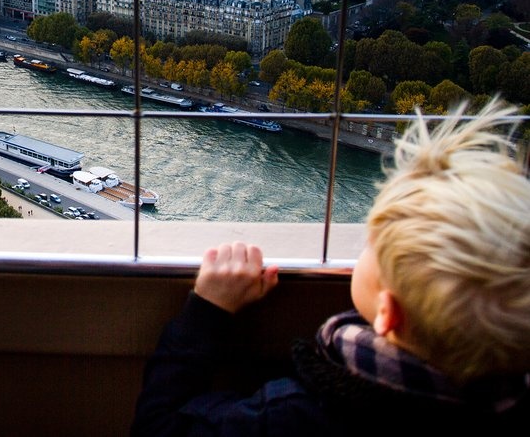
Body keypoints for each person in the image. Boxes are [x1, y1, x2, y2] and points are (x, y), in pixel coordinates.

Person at [132, 98, 529, 436]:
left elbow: (157, 427)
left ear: (389, 314)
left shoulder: (298, 416)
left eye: (370, 245)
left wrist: (206, 313)